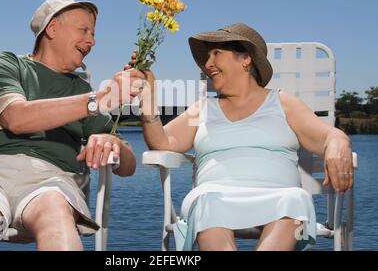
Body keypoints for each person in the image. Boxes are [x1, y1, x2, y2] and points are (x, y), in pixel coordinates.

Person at [0, 0, 145, 251]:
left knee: (55, 213)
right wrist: (97, 101)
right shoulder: (7, 65)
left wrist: (114, 144)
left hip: (50, 179)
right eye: (84, 30)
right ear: (52, 28)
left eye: (94, 34)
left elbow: (127, 168)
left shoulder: (80, 88)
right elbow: (15, 118)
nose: (92, 41)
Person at [137, 22, 353, 251]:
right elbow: (161, 142)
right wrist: (147, 98)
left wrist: (339, 143)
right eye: (207, 58)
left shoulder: (282, 103)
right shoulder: (202, 109)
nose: (207, 65)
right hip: (213, 198)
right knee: (207, 202)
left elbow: (327, 136)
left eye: (216, 54)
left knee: (296, 199)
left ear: (246, 59)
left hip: (280, 198)